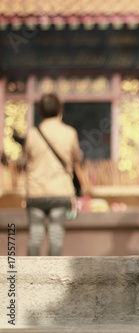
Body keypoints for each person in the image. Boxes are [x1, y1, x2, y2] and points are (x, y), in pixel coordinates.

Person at [24, 93, 84, 256]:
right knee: (56, 236)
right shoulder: (69, 133)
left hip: (36, 192)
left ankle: (30, 277)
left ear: (41, 112)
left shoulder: (32, 134)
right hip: (60, 192)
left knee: (35, 236)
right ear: (60, 110)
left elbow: (27, 159)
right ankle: (53, 278)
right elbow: (76, 158)